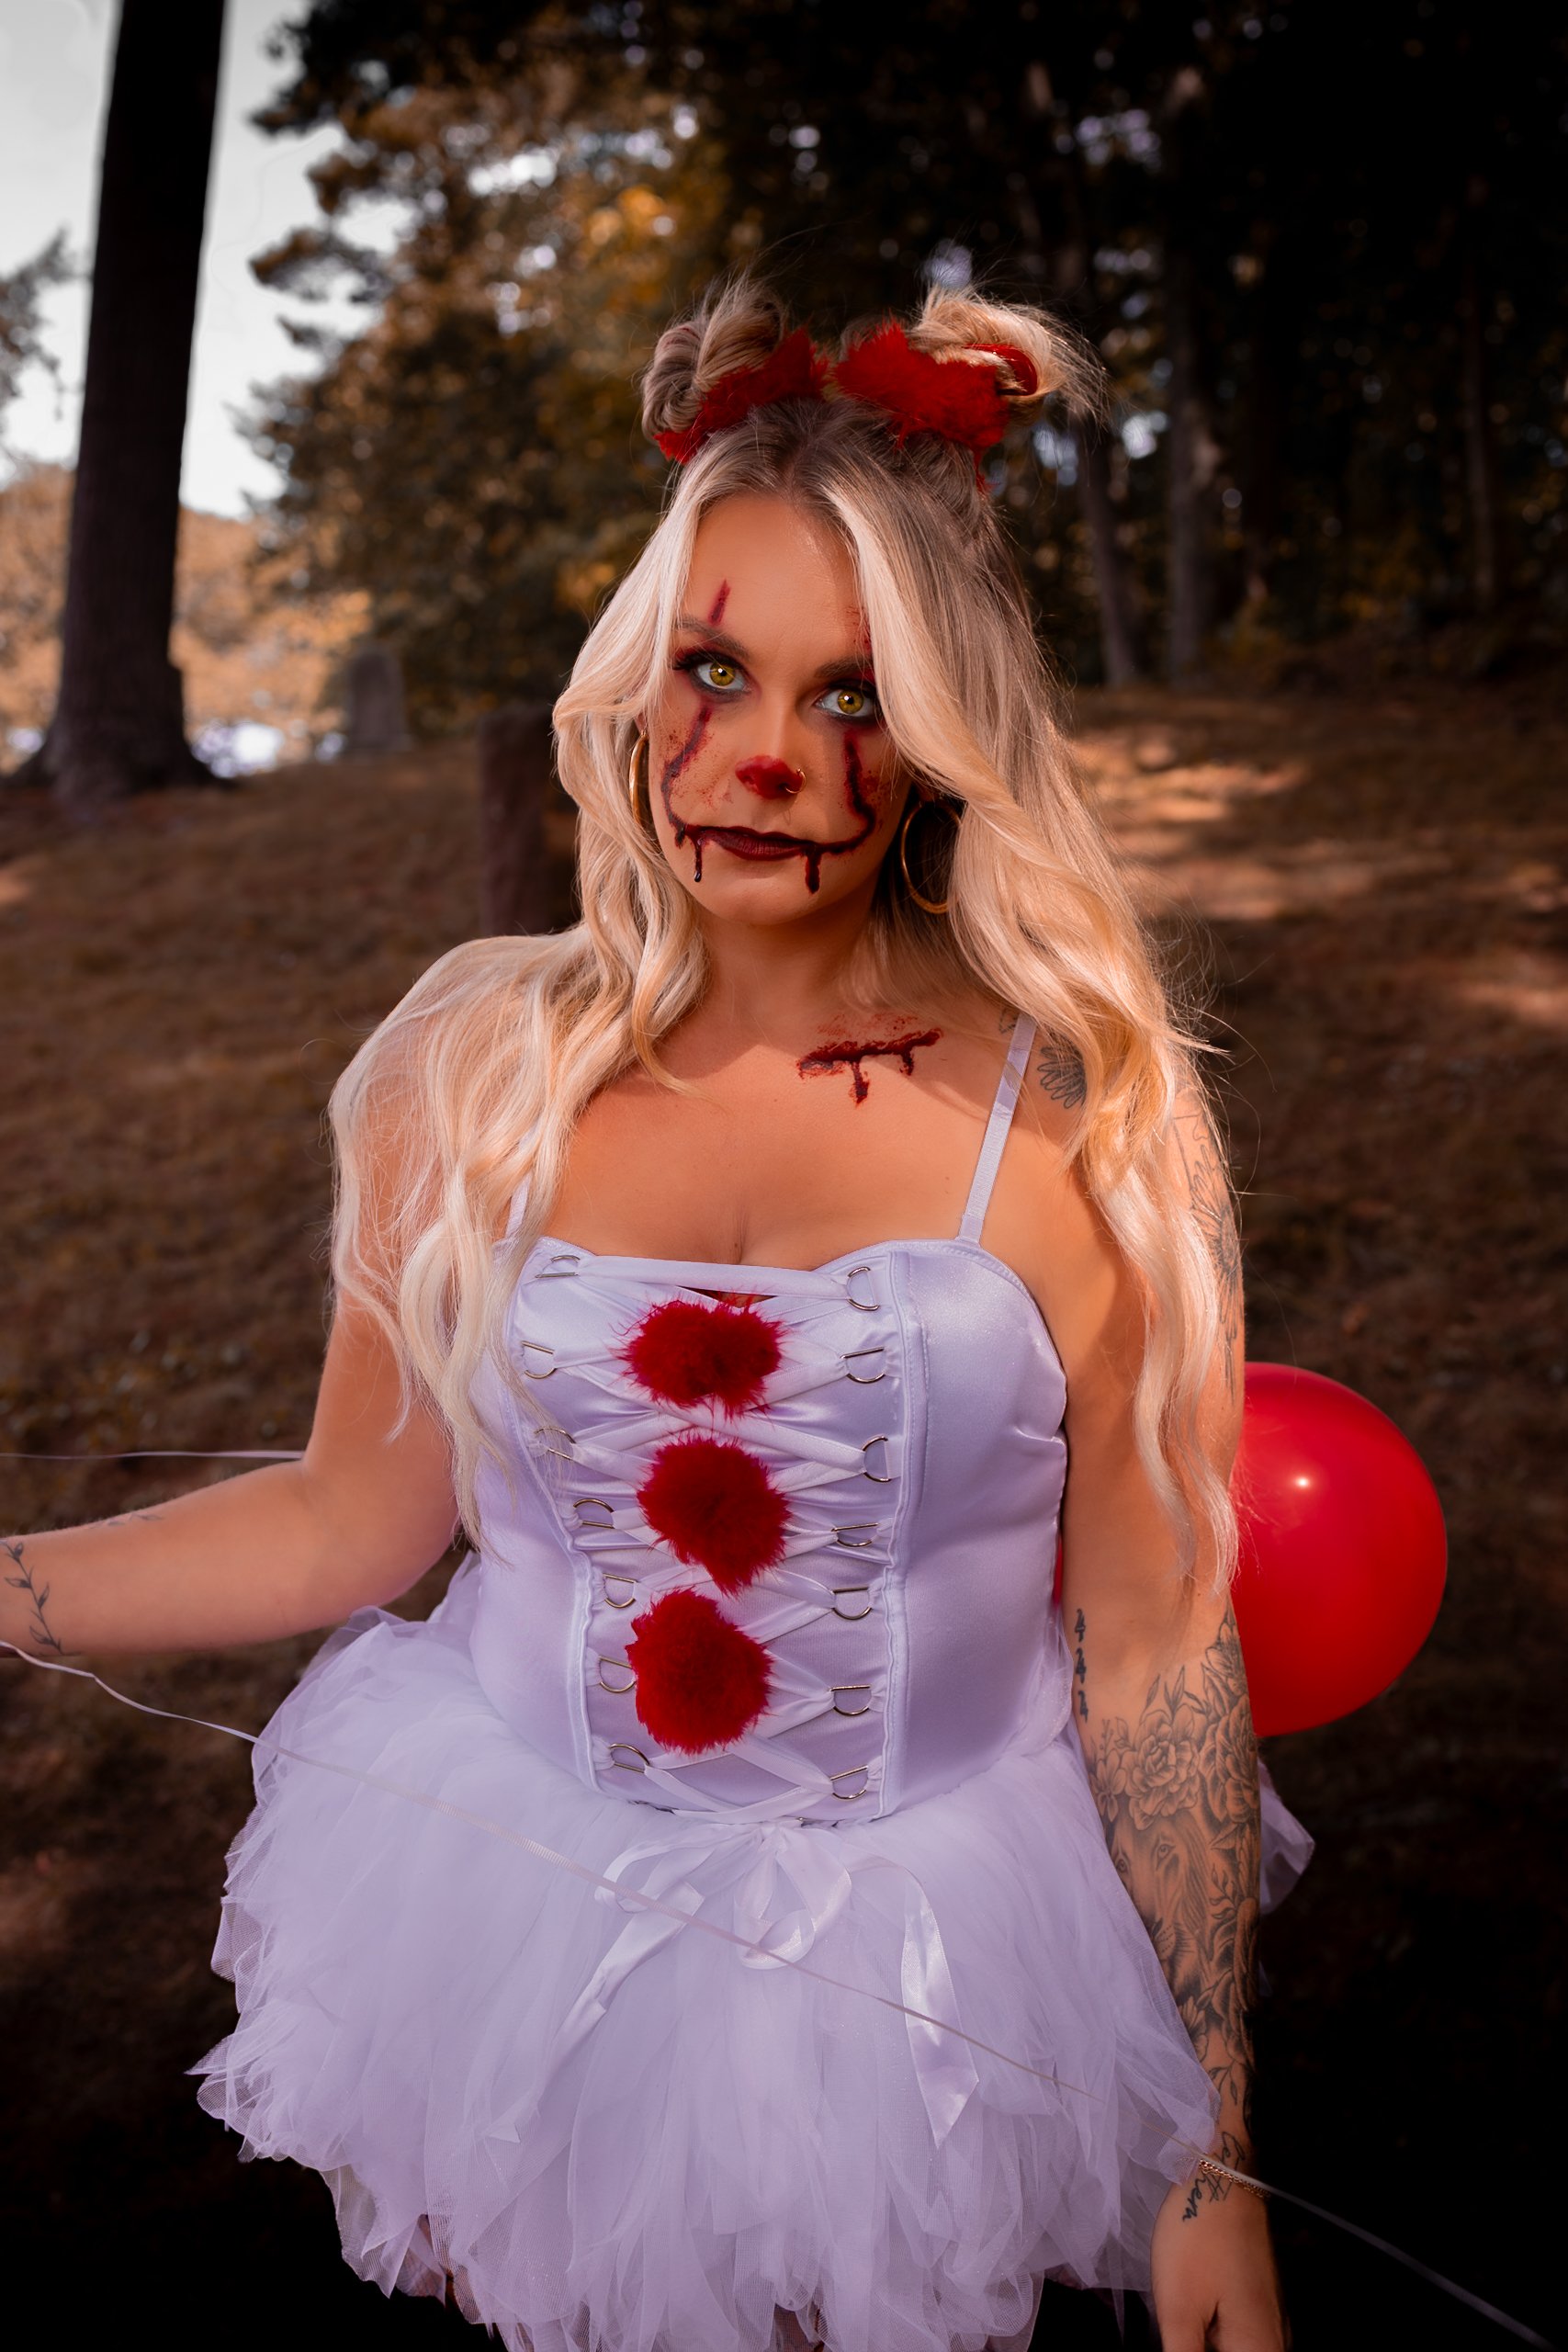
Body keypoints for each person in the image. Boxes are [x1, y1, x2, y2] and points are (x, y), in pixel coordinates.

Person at [1, 280, 1309, 2352]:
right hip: (522, 1911)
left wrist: (1203, 2144)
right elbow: (352, 1525)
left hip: (940, 1965)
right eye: (714, 669)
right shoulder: (473, 1072)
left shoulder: (1085, 1123)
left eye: (852, 697)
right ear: (638, 682)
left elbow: (1153, 1645)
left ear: (944, 737)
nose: (768, 756)